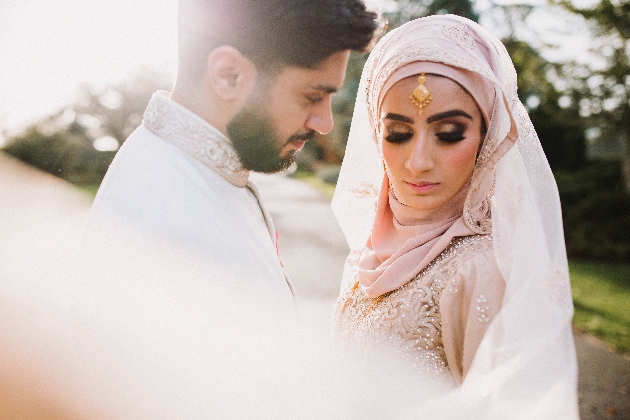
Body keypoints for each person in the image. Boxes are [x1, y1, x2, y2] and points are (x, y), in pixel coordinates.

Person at [331, 14, 580, 418]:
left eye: (448, 133)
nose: (418, 162)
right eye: (397, 134)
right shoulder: (376, 248)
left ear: (487, 135)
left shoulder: (483, 268)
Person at [81, 0, 380, 321]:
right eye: (313, 97)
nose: (325, 123)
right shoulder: (166, 224)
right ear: (229, 75)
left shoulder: (181, 166)